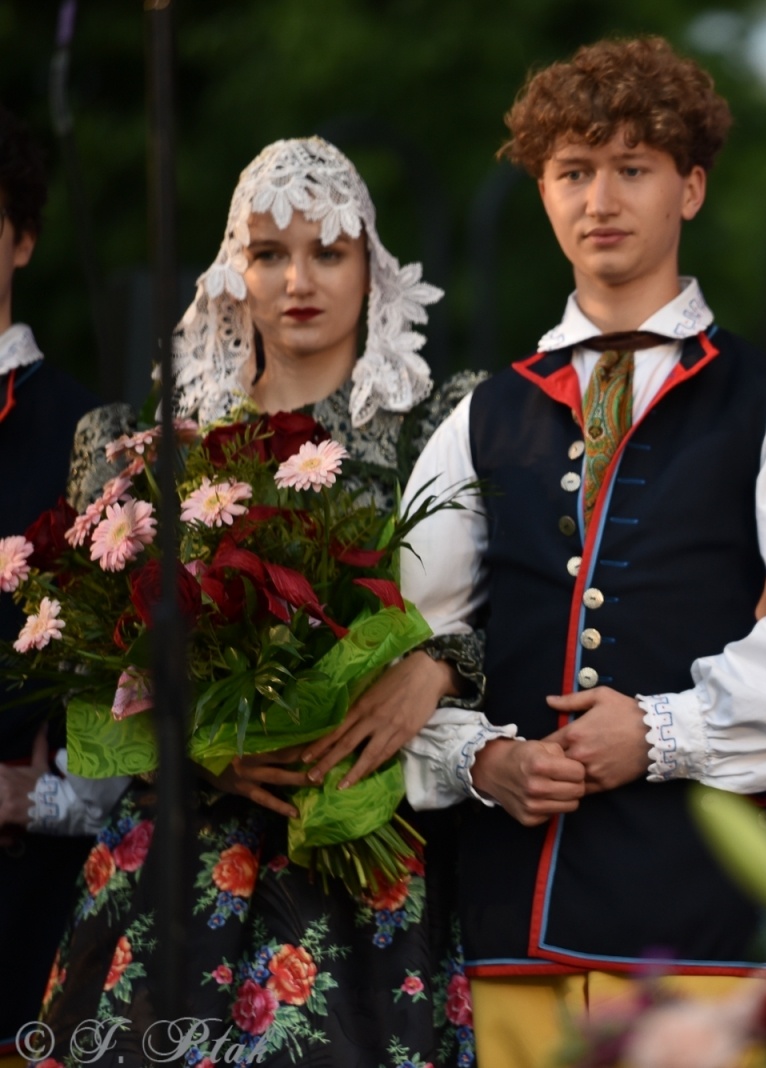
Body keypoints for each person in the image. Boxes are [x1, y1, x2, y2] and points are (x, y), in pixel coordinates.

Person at [397, 36, 766, 1065]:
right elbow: (408, 645)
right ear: (543, 192)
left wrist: (663, 731)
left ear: (691, 188)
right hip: (507, 929)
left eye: (633, 168)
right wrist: (483, 759)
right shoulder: (481, 419)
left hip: (699, 928)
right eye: (573, 172)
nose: (600, 198)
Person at [38, 137, 483, 1067]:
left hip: (356, 843)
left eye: (328, 250)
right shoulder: (151, 447)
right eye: (269, 253)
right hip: (182, 852)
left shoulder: (441, 428)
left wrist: (434, 669)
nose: (298, 280)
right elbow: (95, 680)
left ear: (374, 267)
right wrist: (206, 736)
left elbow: (484, 617)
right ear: (232, 271)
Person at [0, 104, 100, 1068]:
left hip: (27, 909)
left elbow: (126, 708)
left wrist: (46, 799)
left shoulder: (91, 437)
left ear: (22, 238)